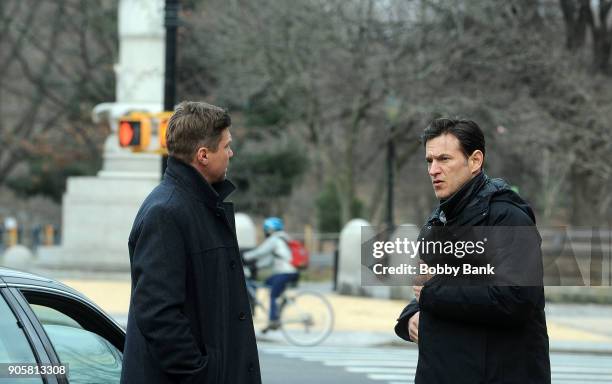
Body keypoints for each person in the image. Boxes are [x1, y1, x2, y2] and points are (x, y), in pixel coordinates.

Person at [394, 118, 551, 383]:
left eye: (444, 159)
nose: (434, 169)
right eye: (429, 161)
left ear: (475, 161)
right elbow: (431, 287)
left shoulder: (507, 217)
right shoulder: (441, 218)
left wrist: (433, 293)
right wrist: (410, 316)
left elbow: (516, 299)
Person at [121, 101, 261, 384]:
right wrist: (201, 374)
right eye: (226, 146)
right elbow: (158, 314)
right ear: (203, 155)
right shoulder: (166, 212)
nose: (231, 153)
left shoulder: (203, 207)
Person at [243, 217, 299, 330]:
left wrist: (244, 256)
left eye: (265, 230)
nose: (265, 232)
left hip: (285, 273)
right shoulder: (283, 239)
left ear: (270, 230)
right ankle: (280, 305)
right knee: (267, 283)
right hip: (290, 272)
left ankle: (273, 320)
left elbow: (260, 252)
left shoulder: (275, 239)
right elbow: (269, 261)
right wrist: (256, 266)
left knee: (273, 294)